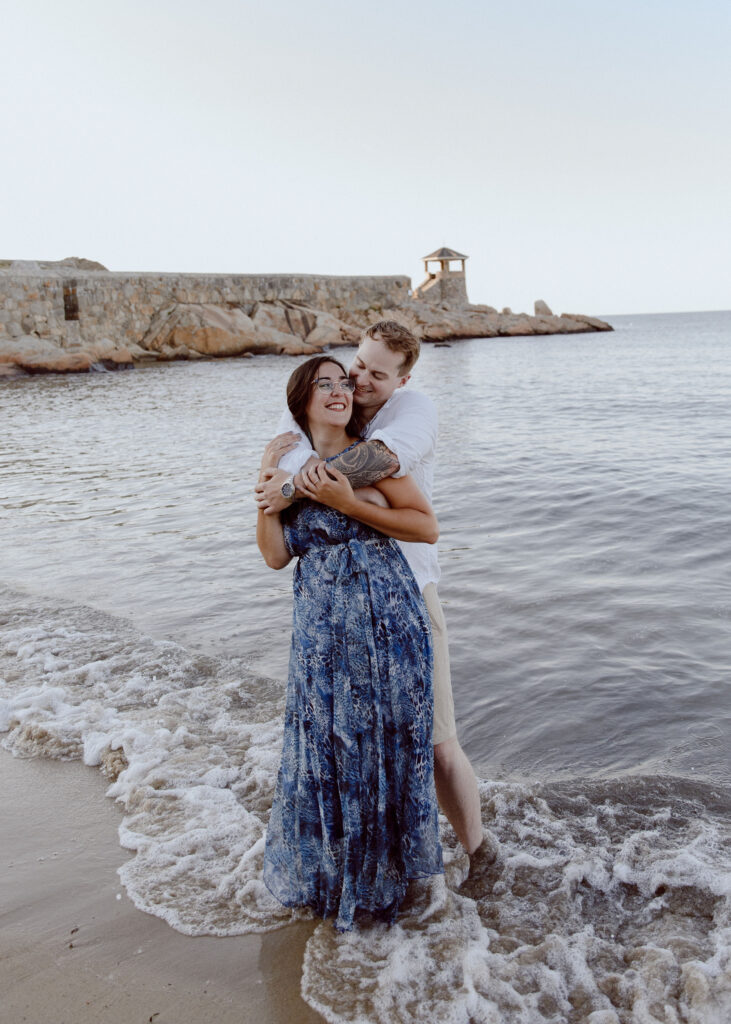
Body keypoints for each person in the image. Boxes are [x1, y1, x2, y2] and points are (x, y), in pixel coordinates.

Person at [255, 320, 497, 877]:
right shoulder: (321, 414)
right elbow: (276, 539)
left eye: (374, 374)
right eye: (354, 365)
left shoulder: (410, 415)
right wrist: (270, 477)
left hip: (406, 594)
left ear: (403, 379)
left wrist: (294, 487)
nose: (357, 381)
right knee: (345, 745)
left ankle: (479, 852)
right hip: (328, 620)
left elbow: (379, 468)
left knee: (434, 740)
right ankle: (361, 866)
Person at [257, 355, 443, 932]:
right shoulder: (287, 463)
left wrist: (348, 504)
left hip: (385, 617)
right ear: (302, 401)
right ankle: (337, 876)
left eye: (345, 382)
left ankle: (394, 883)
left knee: (384, 744)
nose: (340, 391)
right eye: (324, 384)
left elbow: (425, 525)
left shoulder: (368, 457)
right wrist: (265, 486)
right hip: (319, 632)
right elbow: (273, 555)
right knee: (329, 749)